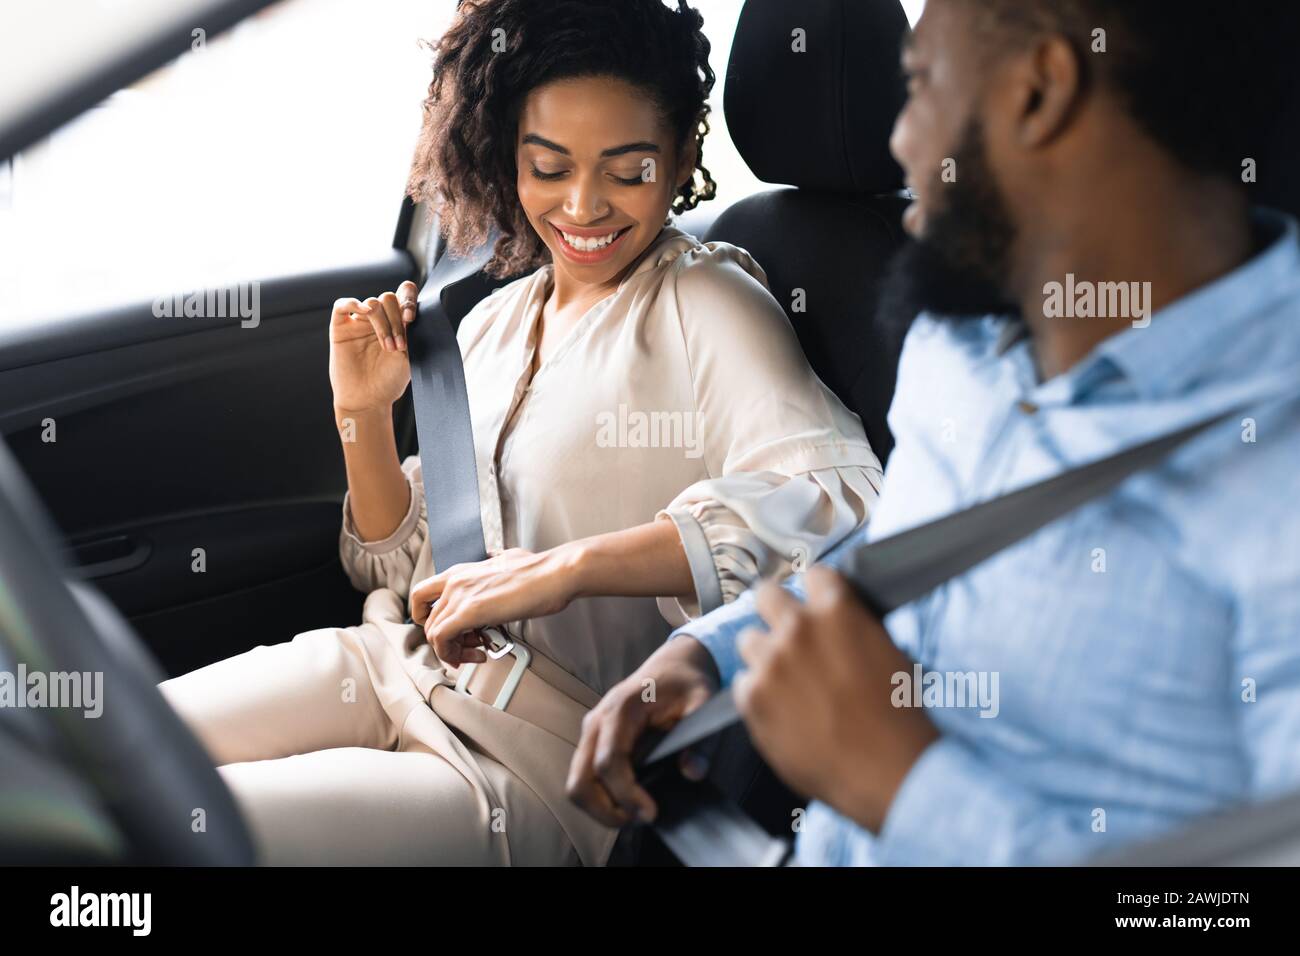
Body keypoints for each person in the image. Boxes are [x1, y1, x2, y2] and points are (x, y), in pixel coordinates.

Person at [568, 0, 1300, 865]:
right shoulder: (960, 346)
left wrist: (902, 786)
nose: (902, 144)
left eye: (918, 89)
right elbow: (901, 555)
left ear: (1039, 93)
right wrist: (710, 656)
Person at [156, 0, 882, 865]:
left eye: (627, 169)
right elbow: (410, 567)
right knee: (98, 750)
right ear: (508, 157)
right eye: (550, 167)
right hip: (394, 663)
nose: (584, 205)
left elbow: (841, 508)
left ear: (683, 155)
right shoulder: (495, 322)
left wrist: (564, 569)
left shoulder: (709, 304)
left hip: (534, 763)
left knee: (164, 829)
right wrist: (363, 415)